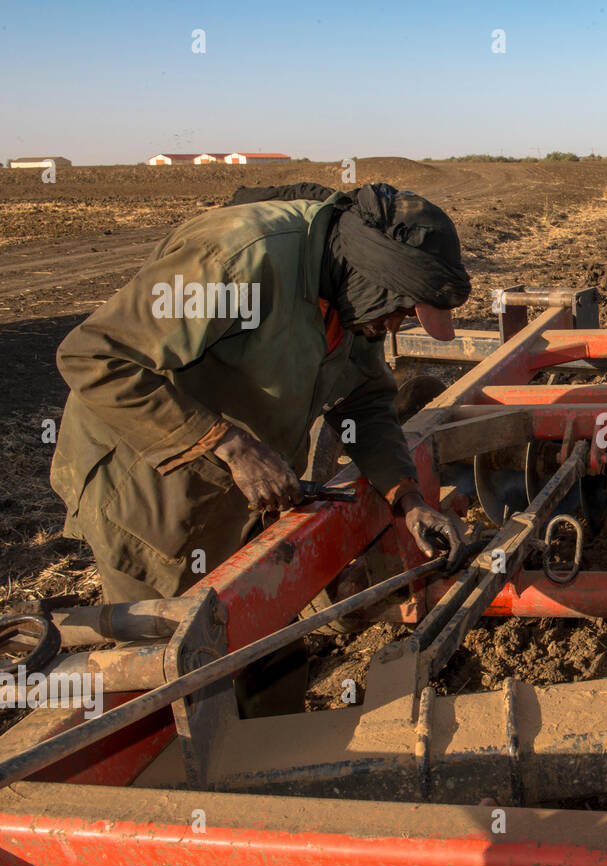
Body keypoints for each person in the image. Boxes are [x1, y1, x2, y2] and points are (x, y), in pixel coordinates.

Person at [51, 182, 470, 605]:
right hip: (146, 490)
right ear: (372, 279)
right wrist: (230, 445)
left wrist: (408, 498)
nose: (394, 328)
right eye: (398, 313)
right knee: (174, 655)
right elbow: (93, 356)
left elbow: (364, 403)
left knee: (269, 655)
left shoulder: (352, 299)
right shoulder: (239, 259)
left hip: (245, 493)